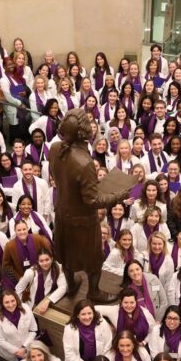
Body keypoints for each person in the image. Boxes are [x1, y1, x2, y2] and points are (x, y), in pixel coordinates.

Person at [49, 108, 132, 301]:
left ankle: (70, 286)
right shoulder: (85, 162)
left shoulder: (55, 148)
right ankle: (94, 292)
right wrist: (118, 195)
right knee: (94, 259)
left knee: (67, 255)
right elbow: (93, 201)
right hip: (83, 219)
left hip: (62, 212)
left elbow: (59, 178)